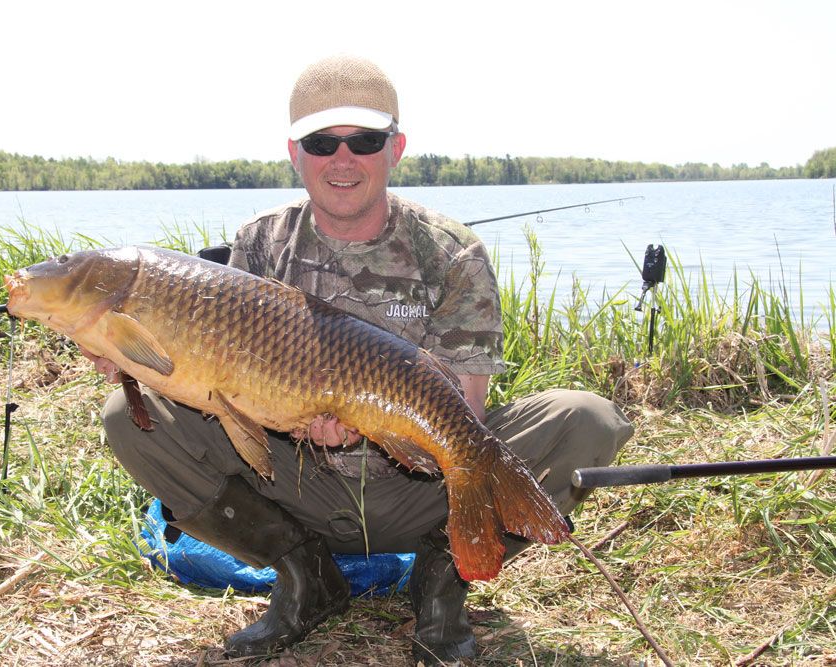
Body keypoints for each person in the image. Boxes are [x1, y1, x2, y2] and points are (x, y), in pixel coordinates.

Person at [87, 55, 634, 664]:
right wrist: (135, 361)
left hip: (419, 492)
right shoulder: (260, 242)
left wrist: (371, 424)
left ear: (395, 148)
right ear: (295, 154)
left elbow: (466, 408)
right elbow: (223, 382)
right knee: (126, 416)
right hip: (297, 484)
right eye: (322, 143)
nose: (342, 159)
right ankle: (305, 575)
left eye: (364, 141)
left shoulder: (452, 252)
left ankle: (441, 581)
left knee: (587, 419)